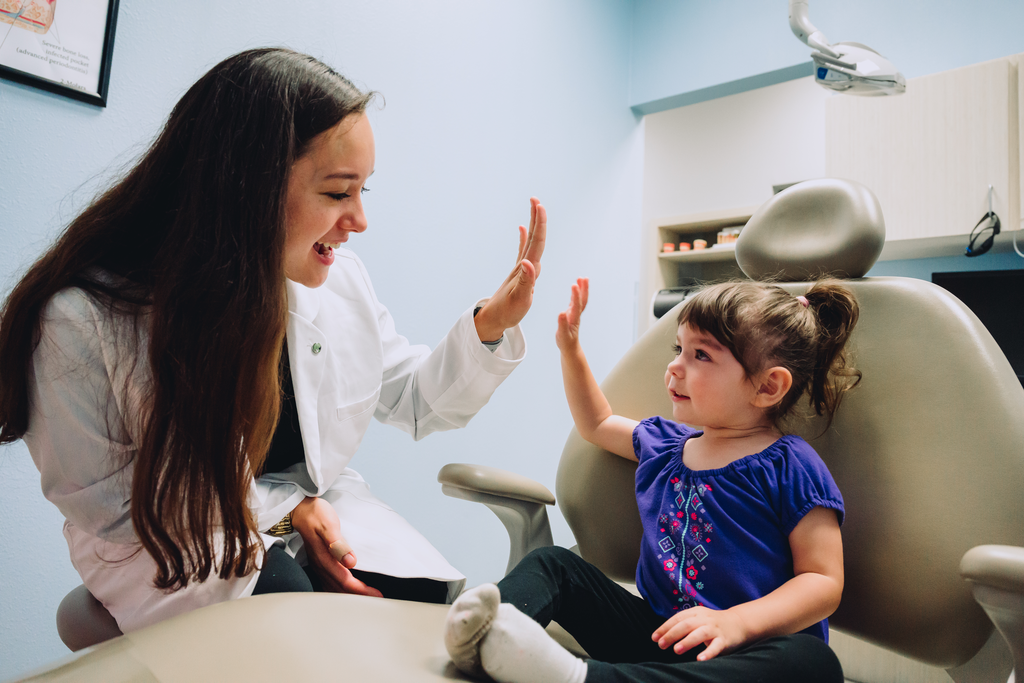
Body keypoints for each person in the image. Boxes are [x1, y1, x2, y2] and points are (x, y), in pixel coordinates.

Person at [0, 47, 547, 632]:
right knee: (285, 606)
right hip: (167, 542)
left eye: (365, 191)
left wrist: (488, 326)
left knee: (416, 605)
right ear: (247, 189)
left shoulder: (336, 284)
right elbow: (109, 507)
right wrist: (285, 516)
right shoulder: (81, 320)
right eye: (339, 193)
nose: (359, 220)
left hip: (310, 516)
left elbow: (412, 399)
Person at [444, 277, 861, 683]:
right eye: (679, 348)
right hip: (662, 636)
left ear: (769, 386)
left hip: (745, 652)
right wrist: (570, 351)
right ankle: (487, 640)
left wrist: (737, 623)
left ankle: (583, 678)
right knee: (553, 564)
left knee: (813, 663)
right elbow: (598, 422)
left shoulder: (791, 466)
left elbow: (822, 582)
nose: (674, 366)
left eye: (702, 355)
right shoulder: (665, 445)